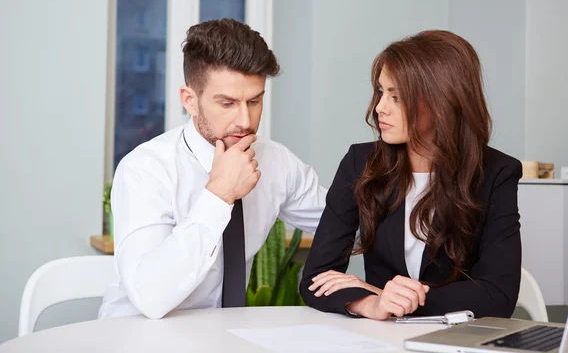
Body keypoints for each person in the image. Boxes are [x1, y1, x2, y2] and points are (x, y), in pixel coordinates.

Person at [99, 19, 326, 319]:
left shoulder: (277, 163)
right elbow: (150, 297)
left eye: (254, 101)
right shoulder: (146, 169)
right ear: (190, 101)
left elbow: (351, 227)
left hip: (222, 339)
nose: (245, 120)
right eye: (227, 103)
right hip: (137, 338)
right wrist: (219, 194)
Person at [299, 30, 522, 320]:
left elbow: (498, 296)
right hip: (382, 339)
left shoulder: (497, 172)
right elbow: (316, 278)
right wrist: (371, 304)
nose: (380, 108)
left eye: (397, 97)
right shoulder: (361, 163)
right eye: (381, 92)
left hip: (455, 341)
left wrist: (392, 298)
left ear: (443, 102)